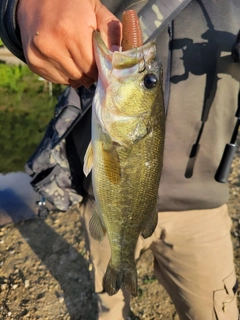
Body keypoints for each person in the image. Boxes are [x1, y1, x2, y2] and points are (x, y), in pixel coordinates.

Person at [1, 0, 240, 319]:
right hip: (103, 202)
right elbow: (25, 20)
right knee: (109, 307)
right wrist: (21, 8)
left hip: (202, 206)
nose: (146, 77)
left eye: (147, 81)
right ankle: (120, 269)